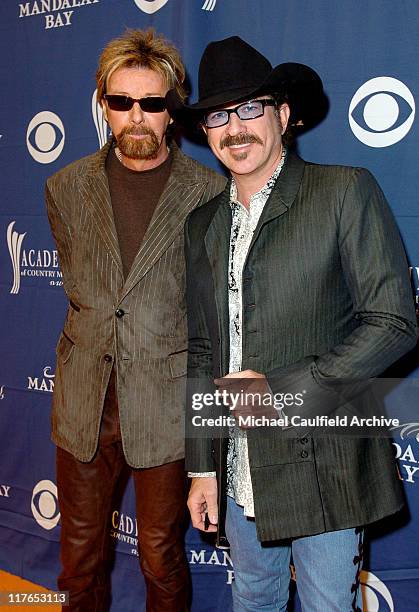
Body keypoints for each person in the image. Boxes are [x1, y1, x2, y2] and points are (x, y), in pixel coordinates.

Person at [166, 36, 419, 611]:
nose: (235, 128)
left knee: (329, 603)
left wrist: (280, 391)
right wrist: (202, 466)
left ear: (283, 114)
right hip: (238, 465)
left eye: (251, 108)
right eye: (218, 116)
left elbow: (394, 324)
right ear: (205, 130)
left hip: (323, 456)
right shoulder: (201, 223)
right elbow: (203, 351)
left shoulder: (343, 191)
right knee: (254, 598)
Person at [45, 28, 225, 612]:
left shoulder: (208, 193)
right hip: (82, 403)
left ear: (173, 110)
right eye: (123, 103)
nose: (137, 117)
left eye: (153, 103)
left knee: (160, 555)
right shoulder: (65, 188)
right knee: (80, 557)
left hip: (165, 406)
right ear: (104, 104)